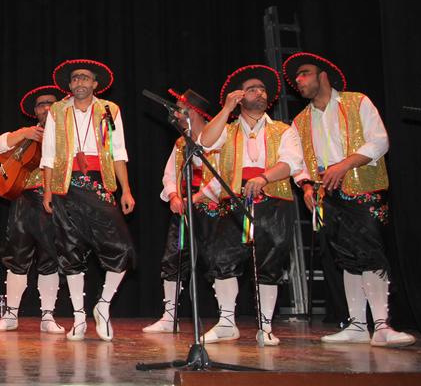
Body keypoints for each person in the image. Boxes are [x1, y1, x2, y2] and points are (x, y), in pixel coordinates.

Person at [285, 53, 414, 347]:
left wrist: (343, 165)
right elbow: (296, 162)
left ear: (323, 76)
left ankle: (381, 325)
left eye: (305, 74)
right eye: (297, 78)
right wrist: (306, 187)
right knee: (346, 258)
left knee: (371, 254)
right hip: (327, 196)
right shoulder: (299, 121)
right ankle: (356, 325)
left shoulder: (358, 102)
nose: (299, 81)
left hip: (364, 189)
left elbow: (379, 141)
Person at [198, 65, 305, 346]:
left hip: (274, 202)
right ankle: (226, 323)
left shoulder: (284, 129)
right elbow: (204, 142)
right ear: (239, 96)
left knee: (270, 262)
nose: (260, 92)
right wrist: (225, 109)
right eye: (252, 88)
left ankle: (266, 327)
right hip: (234, 202)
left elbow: (292, 162)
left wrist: (264, 177)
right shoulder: (228, 129)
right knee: (223, 259)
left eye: (263, 89)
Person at [41, 60, 136, 342]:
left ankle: (103, 306)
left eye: (85, 78)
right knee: (71, 250)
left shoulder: (110, 110)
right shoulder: (57, 111)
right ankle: (79, 317)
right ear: (69, 86)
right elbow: (48, 154)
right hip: (65, 185)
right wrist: (47, 191)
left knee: (120, 246)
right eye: (74, 79)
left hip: (100, 183)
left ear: (95, 84)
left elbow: (119, 152)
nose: (79, 82)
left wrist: (126, 190)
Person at [0, 86, 65, 334]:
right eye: (41, 105)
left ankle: (48, 316)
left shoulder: (68, 133)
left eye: (51, 103)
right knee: (16, 256)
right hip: (24, 198)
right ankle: (10, 315)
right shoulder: (27, 133)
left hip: (54, 200)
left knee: (50, 257)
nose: (46, 108)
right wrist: (24, 133)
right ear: (35, 111)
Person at [143, 89, 221, 333]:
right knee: (174, 259)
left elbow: (223, 176)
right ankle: (170, 316)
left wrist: (196, 197)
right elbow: (169, 175)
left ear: (194, 112)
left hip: (211, 208)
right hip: (184, 208)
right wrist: (175, 196)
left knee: (217, 261)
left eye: (180, 109)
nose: (175, 114)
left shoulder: (219, 138)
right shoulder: (180, 142)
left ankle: (226, 318)